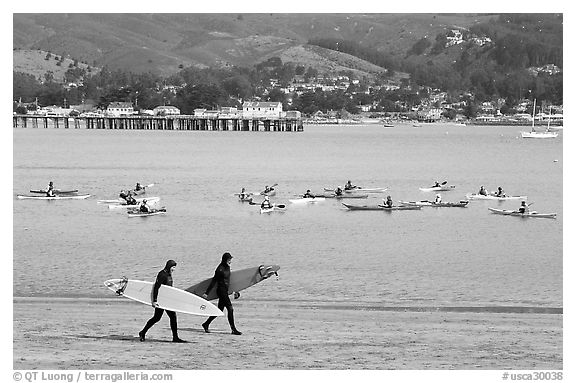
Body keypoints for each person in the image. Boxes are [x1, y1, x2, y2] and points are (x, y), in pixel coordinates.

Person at [139, 260, 186, 343]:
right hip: (161, 300)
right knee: (157, 318)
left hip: (167, 300)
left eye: (174, 267)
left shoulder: (168, 274)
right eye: (173, 267)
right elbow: (156, 287)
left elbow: (168, 289)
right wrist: (154, 301)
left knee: (172, 317)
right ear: (169, 266)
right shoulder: (162, 274)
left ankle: (175, 337)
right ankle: (143, 332)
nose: (174, 269)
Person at [202, 252, 242, 336]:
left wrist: (236, 290)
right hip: (221, 291)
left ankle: (206, 324)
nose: (230, 261)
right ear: (225, 260)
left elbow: (229, 281)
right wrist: (207, 293)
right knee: (230, 309)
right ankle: (233, 329)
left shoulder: (227, 267)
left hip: (225, 291)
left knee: (219, 310)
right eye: (229, 260)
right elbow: (214, 281)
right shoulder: (220, 269)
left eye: (230, 260)